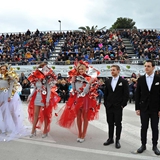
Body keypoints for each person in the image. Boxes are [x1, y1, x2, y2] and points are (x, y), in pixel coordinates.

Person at [57, 60, 100, 143]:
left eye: (82, 69)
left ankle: (83, 134)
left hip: (86, 98)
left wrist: (88, 83)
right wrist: (73, 80)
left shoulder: (89, 78)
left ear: (85, 70)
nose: (81, 71)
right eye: (79, 69)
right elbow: (73, 88)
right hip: (77, 98)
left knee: (85, 117)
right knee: (78, 117)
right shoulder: (76, 78)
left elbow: (87, 89)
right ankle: (79, 133)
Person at [27, 62, 60, 138]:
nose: (43, 69)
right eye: (42, 67)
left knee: (45, 115)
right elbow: (35, 88)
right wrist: (30, 96)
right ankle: (33, 130)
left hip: (44, 98)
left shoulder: (48, 79)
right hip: (37, 97)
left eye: (45, 68)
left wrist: (48, 100)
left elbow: (49, 90)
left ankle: (45, 130)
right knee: (35, 114)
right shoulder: (36, 78)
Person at [135, 60, 160, 155]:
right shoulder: (141, 79)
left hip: (155, 108)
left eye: (148, 66)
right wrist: (137, 108)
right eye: (145, 66)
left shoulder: (158, 79)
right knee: (143, 127)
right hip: (144, 108)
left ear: (153, 67)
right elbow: (137, 94)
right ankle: (143, 145)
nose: (146, 68)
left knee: (155, 128)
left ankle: (155, 146)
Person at [0, 64, 29, 141]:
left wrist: (9, 96)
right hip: (1, 95)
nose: (2, 70)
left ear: (6, 69)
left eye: (4, 69)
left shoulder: (9, 77)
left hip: (9, 96)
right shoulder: (0, 77)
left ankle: (17, 128)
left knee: (13, 112)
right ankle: (4, 128)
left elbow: (12, 87)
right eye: (1, 69)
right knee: (3, 113)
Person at [103, 65, 129, 149]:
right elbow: (105, 94)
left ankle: (117, 139)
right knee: (110, 123)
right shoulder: (107, 81)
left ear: (118, 71)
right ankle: (110, 138)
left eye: (113, 70)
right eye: (111, 70)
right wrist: (106, 104)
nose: (112, 71)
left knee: (118, 123)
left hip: (118, 106)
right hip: (109, 106)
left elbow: (126, 94)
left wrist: (122, 105)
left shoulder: (123, 82)